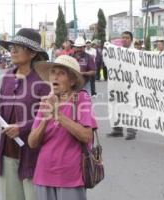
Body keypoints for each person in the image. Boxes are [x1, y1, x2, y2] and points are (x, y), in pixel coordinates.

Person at [0, 28, 50, 200]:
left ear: (32, 53)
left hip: (33, 155)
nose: (12, 51)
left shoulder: (43, 80)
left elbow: (48, 116)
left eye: (18, 47)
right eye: (11, 47)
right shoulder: (8, 76)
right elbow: (0, 104)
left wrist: (22, 128)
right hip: (8, 152)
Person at [29, 55, 97, 200]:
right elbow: (32, 142)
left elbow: (86, 136)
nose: (55, 77)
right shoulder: (46, 102)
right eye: (53, 72)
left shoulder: (81, 99)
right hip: (43, 175)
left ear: (72, 80)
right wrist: (46, 118)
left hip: (70, 177)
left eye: (61, 73)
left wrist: (57, 114)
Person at [107, 31, 138, 140]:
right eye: (123, 38)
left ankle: (131, 131)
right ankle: (117, 129)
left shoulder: (135, 53)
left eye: (127, 38)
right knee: (116, 106)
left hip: (130, 85)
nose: (124, 39)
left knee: (130, 108)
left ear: (131, 40)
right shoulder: (116, 52)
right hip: (117, 85)